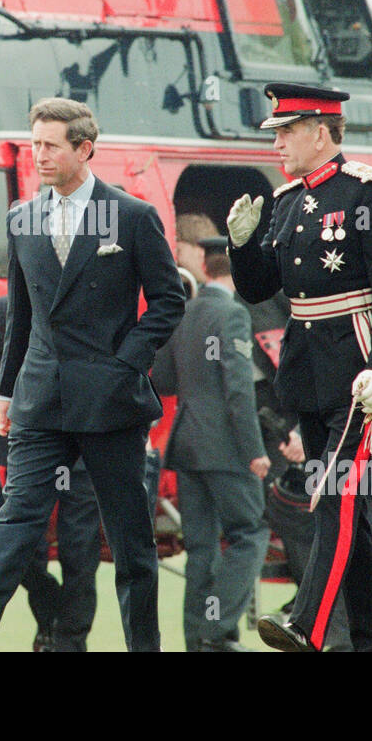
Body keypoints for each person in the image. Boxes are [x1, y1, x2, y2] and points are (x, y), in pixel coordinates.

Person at [0, 97, 185, 652]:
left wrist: (124, 365)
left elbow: (167, 302)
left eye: (50, 145)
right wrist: (6, 390)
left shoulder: (132, 217)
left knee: (131, 541)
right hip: (41, 398)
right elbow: (21, 316)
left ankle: (146, 646)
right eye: (35, 143)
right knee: (17, 515)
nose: (38, 155)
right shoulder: (22, 218)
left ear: (84, 149)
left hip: (111, 402)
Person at [227, 82, 372, 653]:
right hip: (309, 372)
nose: (277, 142)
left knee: (333, 496)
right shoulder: (286, 202)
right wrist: (241, 246)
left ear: (319, 131)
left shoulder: (366, 194)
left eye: (286, 131)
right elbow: (260, 286)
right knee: (347, 518)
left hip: (360, 374)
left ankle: (306, 623)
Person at [152, 232, 270, 651]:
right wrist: (255, 450)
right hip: (224, 447)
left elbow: (162, 381)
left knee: (201, 549)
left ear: (204, 267)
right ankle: (217, 630)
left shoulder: (184, 312)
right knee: (249, 534)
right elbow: (238, 389)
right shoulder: (233, 316)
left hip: (186, 445)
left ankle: (197, 639)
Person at [0, 296, 102, 651]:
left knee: (81, 551)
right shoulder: (7, 307)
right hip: (28, 443)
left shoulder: (97, 293)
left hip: (85, 442)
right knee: (19, 543)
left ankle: (69, 642)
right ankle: (50, 612)